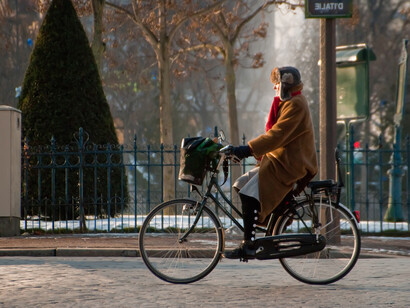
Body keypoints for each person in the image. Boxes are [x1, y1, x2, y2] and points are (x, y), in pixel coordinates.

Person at [224, 66, 318, 260]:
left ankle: (249, 245)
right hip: (279, 160)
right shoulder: (290, 102)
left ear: (284, 86)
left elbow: (277, 135)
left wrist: (246, 149)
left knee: (248, 191)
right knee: (241, 184)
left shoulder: (296, 104)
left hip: (289, 164)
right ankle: (274, 222)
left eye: (276, 84)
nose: (274, 88)